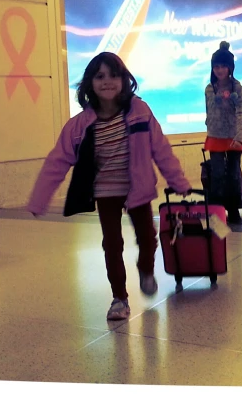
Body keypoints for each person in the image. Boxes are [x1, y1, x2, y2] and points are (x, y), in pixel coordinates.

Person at [26, 52, 192, 321]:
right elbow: (56, 162)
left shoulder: (139, 111)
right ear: (89, 82)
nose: (107, 82)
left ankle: (146, 271)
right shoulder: (79, 125)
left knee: (148, 237)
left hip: (137, 189)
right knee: (112, 244)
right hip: (105, 192)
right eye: (100, 76)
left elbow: (161, 149)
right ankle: (119, 298)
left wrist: (178, 181)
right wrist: (39, 200)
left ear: (125, 80)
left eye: (114, 75)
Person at [205, 41, 242, 224]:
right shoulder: (209, 88)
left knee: (232, 174)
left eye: (223, 66)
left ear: (230, 68)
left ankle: (233, 210)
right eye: (216, 66)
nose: (219, 70)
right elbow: (209, 111)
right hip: (215, 137)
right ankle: (216, 210)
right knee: (216, 174)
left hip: (233, 139)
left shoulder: (237, 88)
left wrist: (239, 136)